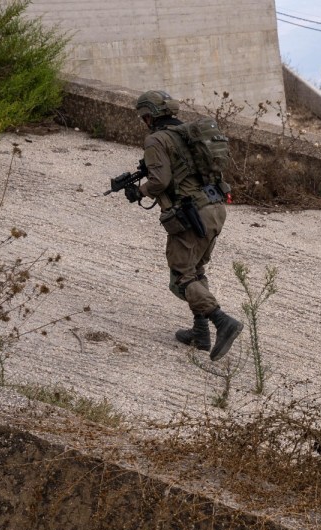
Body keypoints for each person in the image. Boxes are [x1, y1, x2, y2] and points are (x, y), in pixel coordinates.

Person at [126, 90, 243, 361]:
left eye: (144, 116)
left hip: (192, 214)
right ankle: (200, 332)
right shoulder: (187, 134)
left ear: (149, 116)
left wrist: (139, 192)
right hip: (215, 208)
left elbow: (160, 182)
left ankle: (221, 321)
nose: (143, 120)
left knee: (182, 275)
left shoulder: (156, 139)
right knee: (196, 269)